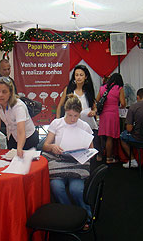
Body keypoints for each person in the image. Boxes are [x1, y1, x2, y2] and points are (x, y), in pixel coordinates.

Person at [43, 94, 93, 223]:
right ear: (65, 112)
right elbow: (45, 146)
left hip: (77, 164)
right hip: (60, 161)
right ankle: (70, 213)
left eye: (75, 116)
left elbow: (91, 149)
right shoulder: (57, 123)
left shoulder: (84, 126)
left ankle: (85, 215)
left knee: (75, 190)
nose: (72, 119)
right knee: (56, 187)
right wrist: (53, 147)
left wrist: (84, 152)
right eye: (69, 115)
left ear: (79, 114)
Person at [0, 76, 38, 156]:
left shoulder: (18, 106)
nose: (0, 95)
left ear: (10, 93)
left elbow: (21, 130)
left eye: (4, 92)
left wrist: (19, 148)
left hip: (27, 138)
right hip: (12, 136)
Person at [56, 65, 99, 154]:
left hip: (86, 125)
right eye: (76, 75)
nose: (79, 77)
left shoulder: (89, 91)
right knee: (71, 147)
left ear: (86, 77)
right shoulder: (68, 90)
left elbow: (94, 107)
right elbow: (60, 106)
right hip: (71, 124)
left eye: (81, 75)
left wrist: (93, 112)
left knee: (86, 149)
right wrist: (57, 122)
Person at [96, 73, 126, 164]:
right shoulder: (119, 89)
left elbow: (97, 99)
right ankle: (109, 158)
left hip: (103, 114)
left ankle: (100, 155)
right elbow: (123, 103)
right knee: (110, 138)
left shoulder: (102, 88)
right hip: (113, 114)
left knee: (101, 135)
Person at [0, 59, 17, 137]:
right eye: (4, 69)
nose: (7, 71)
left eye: (8, 69)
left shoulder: (10, 80)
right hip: (3, 115)